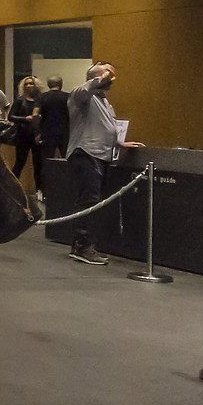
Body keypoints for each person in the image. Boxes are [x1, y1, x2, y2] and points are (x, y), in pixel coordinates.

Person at [64, 63, 141, 266]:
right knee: (88, 201)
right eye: (108, 75)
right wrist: (102, 76)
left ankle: (81, 245)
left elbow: (106, 127)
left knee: (92, 200)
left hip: (101, 155)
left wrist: (120, 143)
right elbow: (85, 90)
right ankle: (82, 246)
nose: (112, 79)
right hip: (85, 153)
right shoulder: (80, 96)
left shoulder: (105, 102)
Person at [7, 76, 42, 182]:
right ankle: (12, 186)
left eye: (31, 83)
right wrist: (25, 119)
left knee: (38, 164)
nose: (28, 86)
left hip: (37, 135)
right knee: (20, 162)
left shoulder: (41, 100)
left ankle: (39, 189)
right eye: (26, 84)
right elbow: (10, 117)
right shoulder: (20, 100)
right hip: (23, 134)